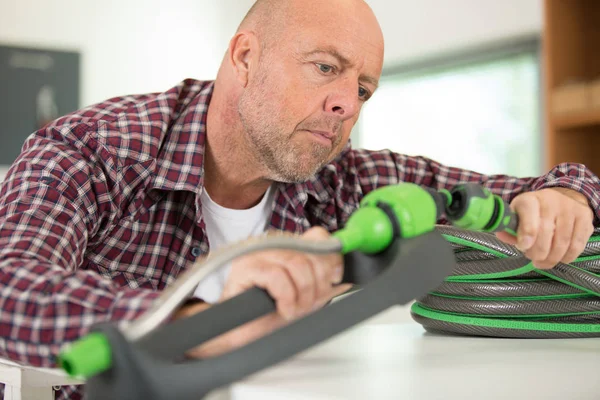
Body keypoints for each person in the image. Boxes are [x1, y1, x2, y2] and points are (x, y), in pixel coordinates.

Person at [1, 0, 598, 398]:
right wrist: (198, 324)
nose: (347, 104)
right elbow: (9, 286)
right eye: (324, 68)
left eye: (362, 87)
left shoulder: (347, 177)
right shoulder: (93, 149)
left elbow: (522, 192)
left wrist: (569, 193)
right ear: (244, 57)